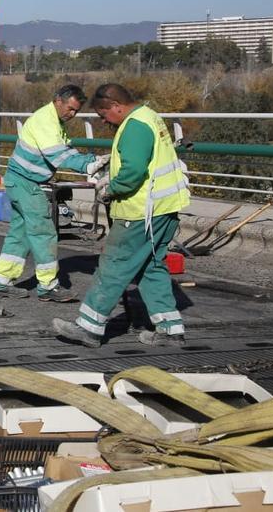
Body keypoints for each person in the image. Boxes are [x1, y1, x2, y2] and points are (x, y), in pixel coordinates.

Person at [52, 83, 191, 347]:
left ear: (116, 106)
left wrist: (110, 189)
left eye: (104, 115)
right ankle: (170, 330)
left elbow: (133, 172)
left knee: (114, 266)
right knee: (151, 267)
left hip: (140, 212)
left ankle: (89, 327)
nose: (104, 121)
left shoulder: (134, 127)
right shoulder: (149, 117)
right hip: (163, 210)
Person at [0, 85, 109, 301]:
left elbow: (64, 150)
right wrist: (89, 166)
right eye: (70, 109)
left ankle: (0, 282)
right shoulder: (46, 121)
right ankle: (48, 287)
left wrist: (90, 161)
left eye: (76, 111)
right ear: (57, 101)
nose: (71, 114)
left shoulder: (54, 121)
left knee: (21, 234)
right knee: (44, 233)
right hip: (27, 183)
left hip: (20, 181)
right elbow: (58, 155)